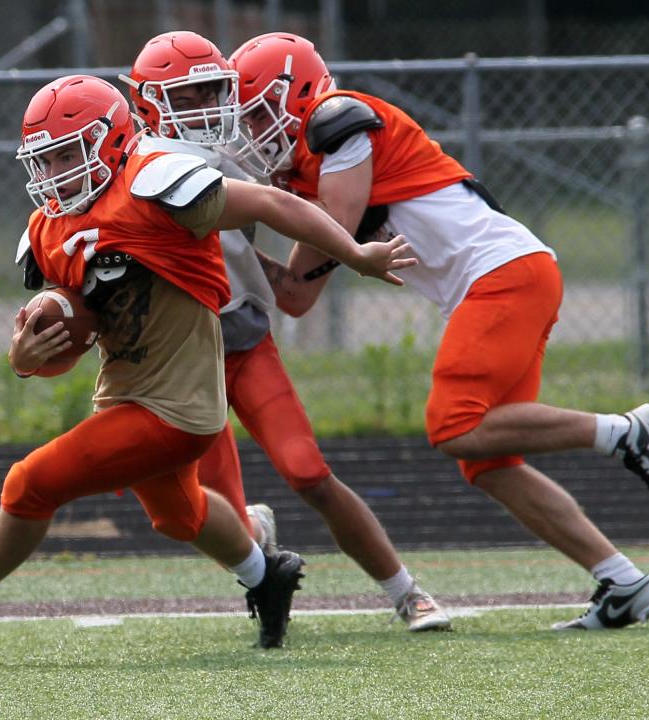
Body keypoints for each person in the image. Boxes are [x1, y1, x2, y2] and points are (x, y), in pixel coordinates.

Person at [0, 74, 416, 649]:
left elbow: (270, 201)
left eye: (68, 151)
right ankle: (267, 577)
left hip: (180, 406)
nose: (56, 170)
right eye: (44, 158)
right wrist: (24, 356)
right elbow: (67, 333)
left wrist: (356, 254)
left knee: (30, 483)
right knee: (179, 516)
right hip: (126, 392)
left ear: (111, 139)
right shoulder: (49, 227)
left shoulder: (156, 186)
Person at [228, 32, 649, 631]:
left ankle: (626, 432)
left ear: (300, 93)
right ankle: (625, 583)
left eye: (260, 112)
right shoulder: (305, 178)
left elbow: (337, 228)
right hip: (505, 280)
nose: (252, 131)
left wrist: (254, 205)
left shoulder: (338, 122)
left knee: (454, 425)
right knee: (487, 460)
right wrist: (229, 237)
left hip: (502, 275)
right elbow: (295, 295)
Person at [119, 30, 451, 631]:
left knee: (308, 473)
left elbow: (289, 211)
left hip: (243, 339)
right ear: (147, 104)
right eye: (187, 97)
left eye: (211, 92)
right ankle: (258, 548)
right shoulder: (133, 174)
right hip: (181, 363)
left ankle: (406, 590)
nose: (206, 110)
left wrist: (351, 252)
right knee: (209, 513)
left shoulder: (232, 156)